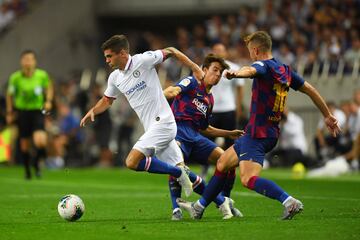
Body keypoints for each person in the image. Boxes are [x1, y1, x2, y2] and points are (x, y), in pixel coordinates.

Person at [177, 31, 341, 220]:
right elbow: (310, 89)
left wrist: (235, 73)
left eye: (250, 51)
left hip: (258, 133)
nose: (250, 55)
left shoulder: (261, 65)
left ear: (255, 50)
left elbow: (251, 70)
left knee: (247, 179)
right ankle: (199, 207)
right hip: (265, 132)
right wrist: (327, 115)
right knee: (223, 163)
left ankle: (288, 201)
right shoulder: (285, 70)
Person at [80, 34, 203, 198]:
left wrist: (195, 67)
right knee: (182, 169)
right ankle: (221, 202)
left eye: (109, 56)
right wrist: (93, 110)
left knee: (131, 161)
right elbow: (107, 100)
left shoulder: (143, 60)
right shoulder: (115, 77)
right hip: (152, 127)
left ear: (122, 53)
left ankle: (178, 174)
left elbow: (171, 50)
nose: (107, 60)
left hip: (164, 122)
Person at [163, 54, 243, 220]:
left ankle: (226, 199)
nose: (217, 75)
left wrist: (229, 133)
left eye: (220, 73)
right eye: (215, 70)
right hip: (178, 132)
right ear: (204, 70)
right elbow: (173, 90)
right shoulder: (191, 82)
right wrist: (168, 92)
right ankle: (176, 209)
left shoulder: (209, 99)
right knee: (177, 168)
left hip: (195, 136)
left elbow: (205, 128)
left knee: (227, 160)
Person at [199, 43, 245, 178]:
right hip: (210, 110)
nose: (218, 53)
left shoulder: (234, 68)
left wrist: (238, 108)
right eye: (215, 50)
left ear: (225, 53)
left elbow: (239, 90)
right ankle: (204, 168)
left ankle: (230, 172)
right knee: (206, 141)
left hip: (228, 109)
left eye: (221, 50)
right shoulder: (206, 69)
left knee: (231, 142)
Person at [6, 50, 53, 179]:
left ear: (34, 61)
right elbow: (10, 95)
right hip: (22, 112)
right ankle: (27, 170)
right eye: (25, 59)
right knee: (25, 144)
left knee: (41, 142)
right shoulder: (15, 77)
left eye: (30, 59)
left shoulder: (41, 75)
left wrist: (48, 100)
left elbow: (49, 87)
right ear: (21, 61)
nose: (28, 62)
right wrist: (10, 112)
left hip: (37, 111)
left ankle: (36, 164)